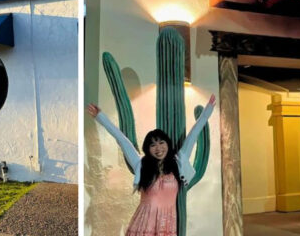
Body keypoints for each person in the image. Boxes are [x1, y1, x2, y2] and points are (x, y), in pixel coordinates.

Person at [87, 94, 216, 236]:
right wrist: (100, 117)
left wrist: (208, 110)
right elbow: (121, 139)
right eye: (153, 145)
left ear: (168, 144)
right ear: (147, 149)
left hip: (167, 224)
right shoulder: (140, 163)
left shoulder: (179, 162)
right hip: (143, 225)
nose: (158, 148)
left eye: (161, 143)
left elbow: (194, 133)